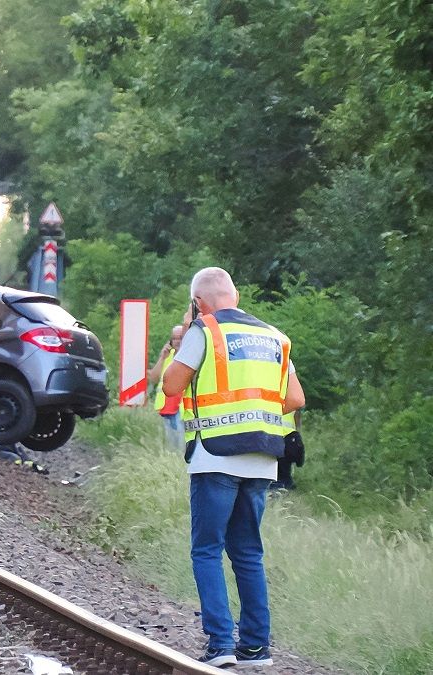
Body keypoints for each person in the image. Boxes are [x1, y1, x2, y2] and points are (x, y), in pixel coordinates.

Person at [161, 267, 305, 668]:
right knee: (248, 553)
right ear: (235, 296)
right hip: (261, 458)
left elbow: (172, 386)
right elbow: (295, 398)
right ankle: (256, 649)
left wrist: (188, 332)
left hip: (215, 456)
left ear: (199, 301)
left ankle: (221, 645)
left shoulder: (204, 331)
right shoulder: (274, 336)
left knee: (207, 550)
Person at [148, 325, 185, 448]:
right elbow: (153, 378)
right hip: (166, 408)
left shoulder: (190, 355)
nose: (177, 341)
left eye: (181, 337)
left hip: (182, 410)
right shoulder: (168, 356)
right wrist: (162, 358)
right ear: (170, 341)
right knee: (170, 449)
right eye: (174, 338)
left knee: (181, 449)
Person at [272, 410, 305, 490]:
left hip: (273, 435)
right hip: (288, 436)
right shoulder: (291, 398)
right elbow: (297, 414)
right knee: (284, 470)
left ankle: (279, 489)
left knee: (276, 469)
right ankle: (284, 488)